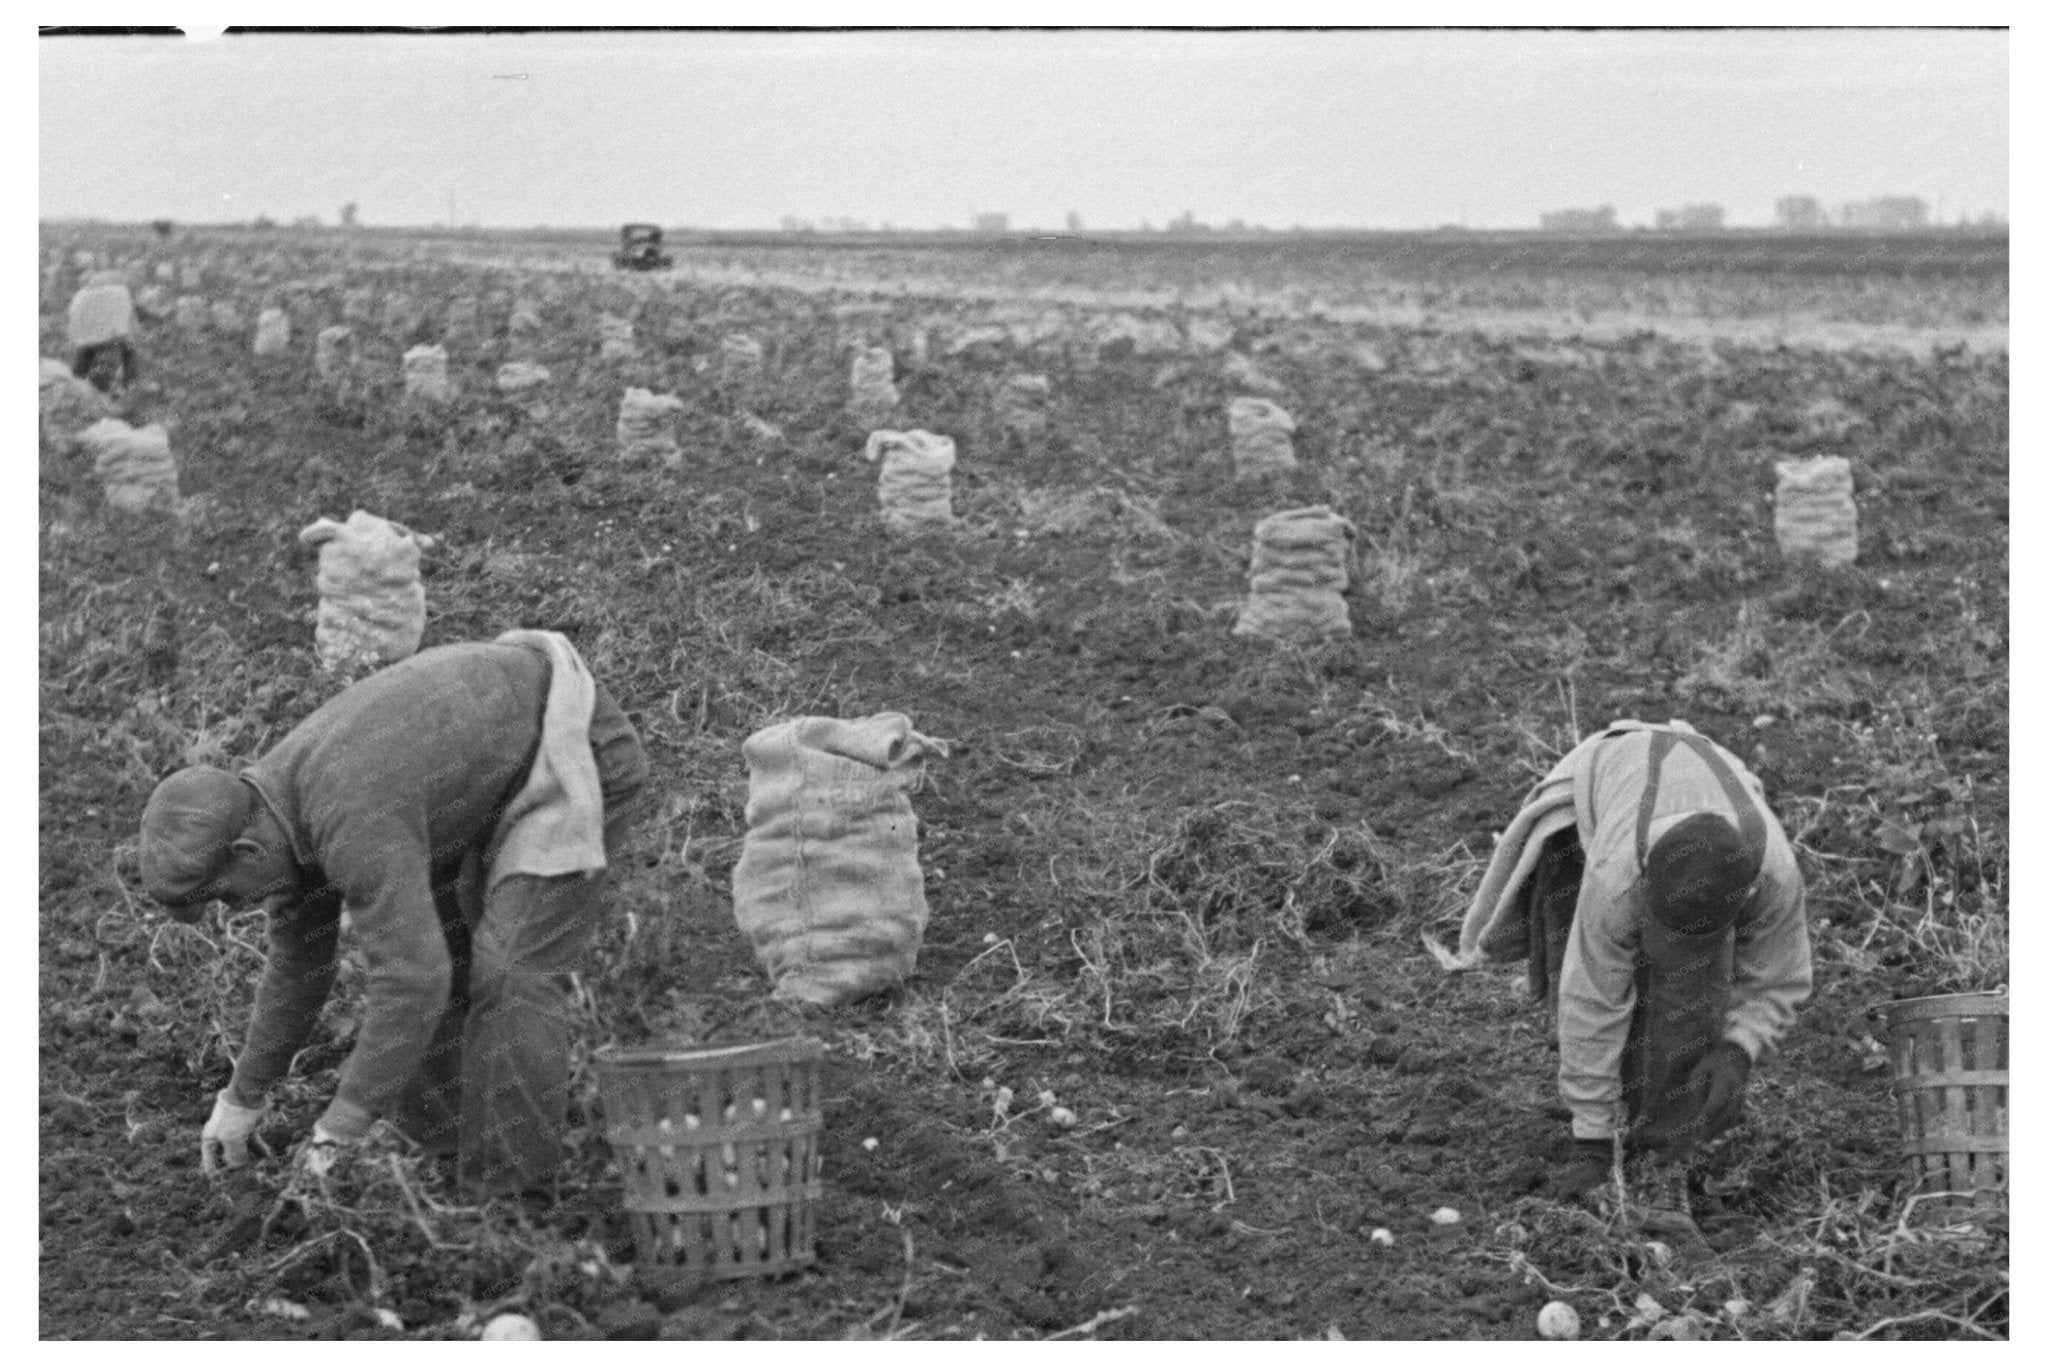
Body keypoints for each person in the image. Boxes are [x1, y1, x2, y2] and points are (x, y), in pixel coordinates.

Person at [138, 632, 651, 1195]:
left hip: (567, 743)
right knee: (431, 953)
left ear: (247, 853)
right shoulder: (275, 818)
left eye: (226, 896)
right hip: (474, 774)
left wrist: (339, 1129)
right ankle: (437, 1165)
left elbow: (412, 980)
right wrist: (242, 1096)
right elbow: (297, 971)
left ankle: (513, 1198)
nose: (238, 909)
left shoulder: (347, 813)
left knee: (508, 970)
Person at [1456, 720, 1812, 1235]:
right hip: (1604, 785)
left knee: (1690, 996)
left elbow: (1781, 977)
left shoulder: (1773, 874)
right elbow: (1591, 1000)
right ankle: (1608, 1129)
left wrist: (1739, 1048)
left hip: (1707, 780)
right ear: (1646, 887)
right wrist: (1592, 1144)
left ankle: (1663, 1156)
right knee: (1576, 970)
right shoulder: (1615, 878)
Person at [67, 268, 141, 395]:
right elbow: (132, 313)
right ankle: (130, 388)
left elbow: (73, 317)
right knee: (129, 354)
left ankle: (74, 384)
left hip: (88, 338)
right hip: (116, 336)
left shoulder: (81, 295)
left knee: (84, 355)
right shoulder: (120, 291)